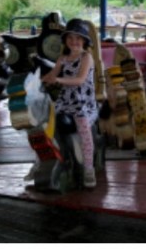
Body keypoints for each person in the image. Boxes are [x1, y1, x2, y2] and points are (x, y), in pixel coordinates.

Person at [41, 18, 98, 188]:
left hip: (83, 100)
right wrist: (40, 80)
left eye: (78, 38)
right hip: (65, 99)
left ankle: (89, 169)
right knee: (44, 122)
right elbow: (52, 75)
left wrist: (58, 79)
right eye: (70, 38)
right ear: (65, 40)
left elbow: (80, 79)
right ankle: (45, 161)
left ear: (84, 41)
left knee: (84, 131)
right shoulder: (63, 58)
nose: (74, 41)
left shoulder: (86, 57)